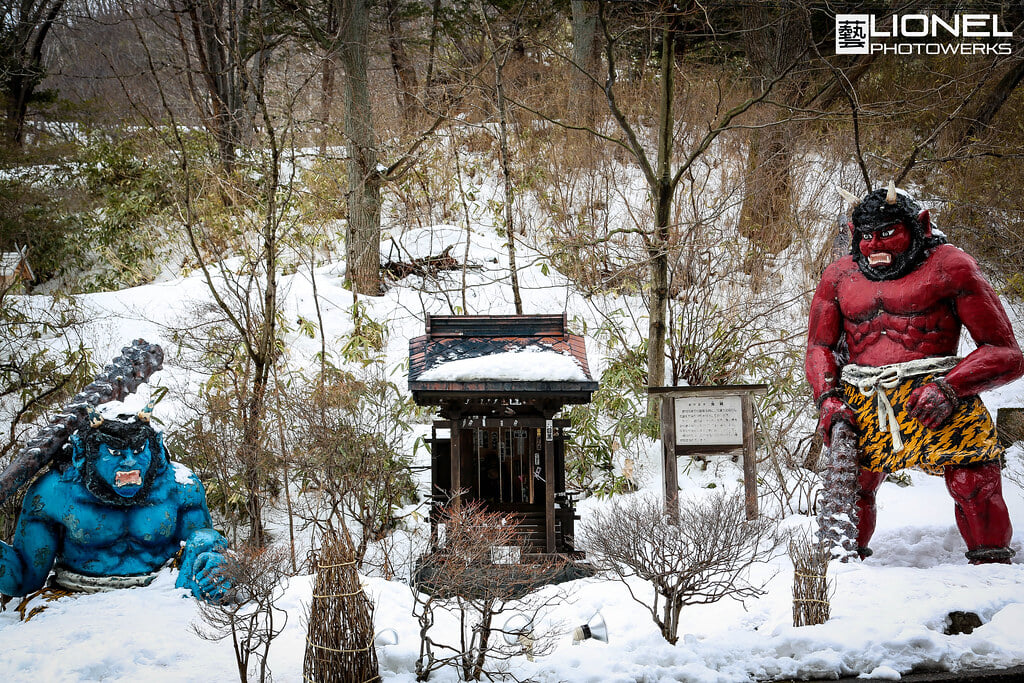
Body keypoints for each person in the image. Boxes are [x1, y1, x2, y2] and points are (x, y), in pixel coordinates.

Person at [806, 182, 1024, 563]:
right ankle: (847, 578)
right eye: (867, 236)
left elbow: (1006, 353)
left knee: (973, 482)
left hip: (941, 396)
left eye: (888, 233)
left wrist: (950, 387)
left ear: (920, 226)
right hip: (865, 401)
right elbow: (819, 348)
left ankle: (992, 569)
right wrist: (827, 399)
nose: (875, 247)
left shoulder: (950, 266)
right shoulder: (839, 277)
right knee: (850, 488)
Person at [0, 401, 230, 600]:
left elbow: (201, 543)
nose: (130, 462)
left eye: (139, 450)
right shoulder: (53, 493)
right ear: (85, 453)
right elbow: (23, 579)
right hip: (77, 602)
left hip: (162, 596)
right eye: (114, 452)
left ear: (155, 447)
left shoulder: (180, 486)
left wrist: (214, 560)